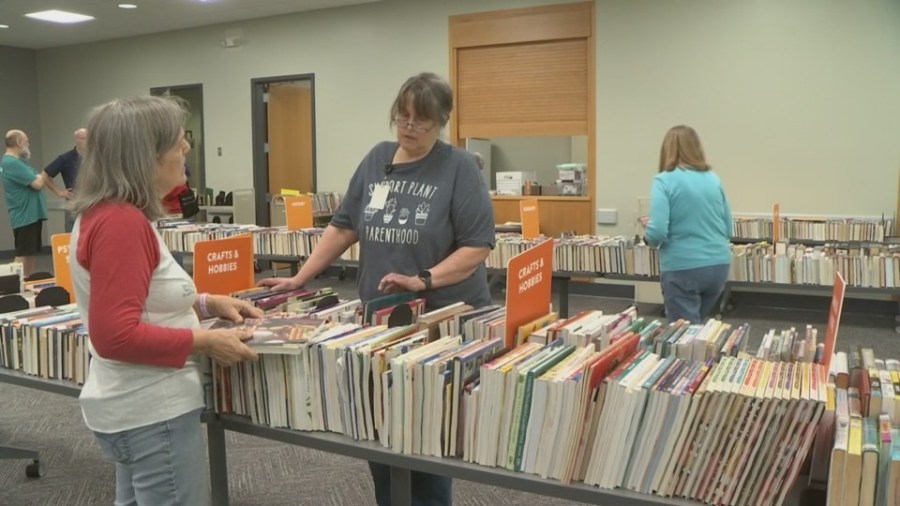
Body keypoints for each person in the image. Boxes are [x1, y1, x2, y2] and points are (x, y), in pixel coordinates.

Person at [260, 72, 495, 506]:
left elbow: (477, 246)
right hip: (381, 319)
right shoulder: (377, 159)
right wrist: (299, 277)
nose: (409, 127)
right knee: (380, 428)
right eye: (402, 117)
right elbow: (344, 226)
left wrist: (423, 279)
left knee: (426, 436)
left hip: (438, 322)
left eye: (421, 120)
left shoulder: (459, 167)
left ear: (442, 121)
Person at [67, 95, 261, 505]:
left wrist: (206, 304)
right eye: (177, 141)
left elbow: (142, 299)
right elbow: (116, 336)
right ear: (146, 156)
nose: (186, 147)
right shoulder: (121, 223)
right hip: (152, 409)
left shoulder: (109, 212)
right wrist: (208, 341)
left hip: (134, 406)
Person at [644, 125, 733, 323]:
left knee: (683, 334)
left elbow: (657, 232)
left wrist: (648, 237)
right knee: (697, 328)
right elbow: (728, 227)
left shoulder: (663, 181)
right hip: (718, 265)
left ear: (666, 150)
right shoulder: (714, 179)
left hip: (683, 266)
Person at [0, 129, 49, 277]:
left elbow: (38, 178)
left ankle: (26, 282)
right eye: (26, 141)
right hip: (24, 216)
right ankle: (11, 286)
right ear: (19, 143)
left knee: (30, 254)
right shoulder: (10, 163)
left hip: (31, 215)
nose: (28, 144)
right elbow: (38, 183)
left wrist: (39, 177)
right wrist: (41, 176)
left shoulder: (19, 163)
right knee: (22, 255)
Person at [42, 128, 87, 231]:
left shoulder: (94, 157)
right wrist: (60, 192)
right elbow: (45, 175)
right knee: (72, 232)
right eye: (85, 139)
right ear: (77, 140)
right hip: (74, 202)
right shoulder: (66, 158)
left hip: (91, 200)